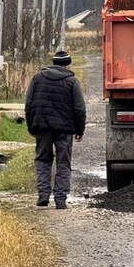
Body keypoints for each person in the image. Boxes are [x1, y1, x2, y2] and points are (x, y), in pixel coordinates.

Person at [24, 49, 86, 209]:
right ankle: (60, 199)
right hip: (65, 130)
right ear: (68, 64)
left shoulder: (37, 79)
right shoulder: (72, 82)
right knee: (63, 163)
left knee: (43, 160)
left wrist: (32, 126)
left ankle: (43, 195)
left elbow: (29, 104)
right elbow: (79, 108)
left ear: (53, 62)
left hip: (42, 127)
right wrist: (80, 130)